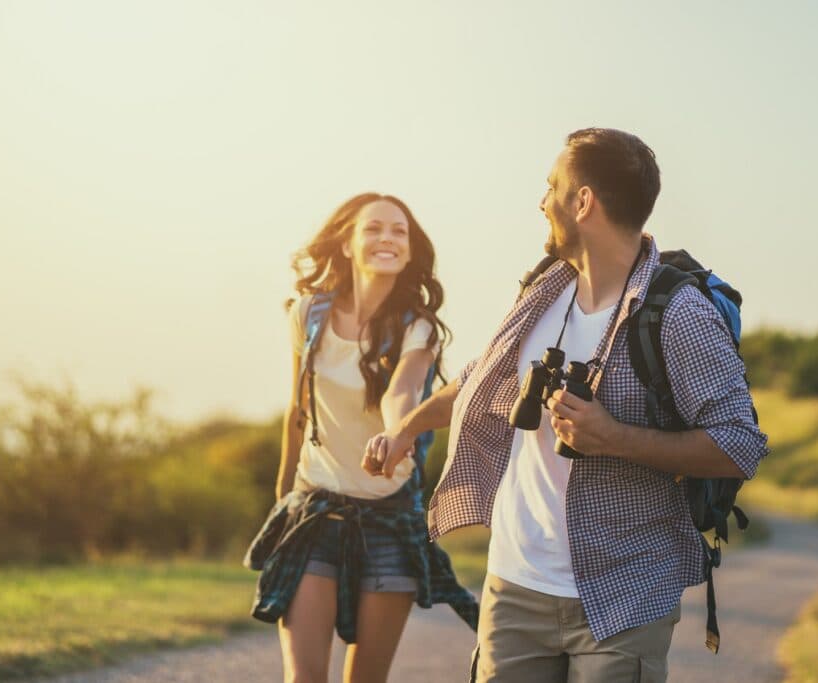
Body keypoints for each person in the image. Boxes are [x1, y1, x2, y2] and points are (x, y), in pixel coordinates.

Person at [363, 129, 769, 682]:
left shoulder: (678, 314)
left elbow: (739, 443)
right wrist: (407, 428)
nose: (541, 201)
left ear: (583, 202)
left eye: (551, 186)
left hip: (623, 592)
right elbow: (478, 377)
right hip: (514, 587)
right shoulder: (542, 289)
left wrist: (613, 437)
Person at [245, 192, 478, 683]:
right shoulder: (308, 315)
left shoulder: (419, 328)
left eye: (399, 231)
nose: (387, 238)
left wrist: (396, 434)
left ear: (411, 252)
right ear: (348, 244)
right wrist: (283, 495)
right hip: (315, 511)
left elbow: (404, 390)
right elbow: (297, 410)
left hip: (389, 518)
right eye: (373, 228)